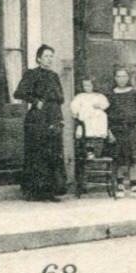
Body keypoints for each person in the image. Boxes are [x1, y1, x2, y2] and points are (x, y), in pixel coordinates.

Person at [13, 44, 66, 201]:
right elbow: (18, 93)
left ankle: (51, 191)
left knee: (54, 154)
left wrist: (58, 118)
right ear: (38, 59)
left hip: (53, 117)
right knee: (38, 154)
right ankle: (35, 192)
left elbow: (60, 98)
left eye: (51, 56)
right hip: (37, 119)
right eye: (46, 56)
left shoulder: (54, 76)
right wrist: (35, 101)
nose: (49, 59)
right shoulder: (31, 74)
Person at [105, 67, 136, 198]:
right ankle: (120, 186)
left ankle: (134, 187)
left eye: (124, 76)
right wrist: (108, 131)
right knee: (120, 160)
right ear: (115, 78)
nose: (121, 79)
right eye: (118, 76)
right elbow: (105, 115)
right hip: (117, 131)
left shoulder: (134, 93)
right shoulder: (110, 95)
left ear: (128, 78)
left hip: (132, 130)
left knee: (133, 159)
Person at [70, 77, 109, 158]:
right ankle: (88, 153)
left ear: (93, 85)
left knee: (97, 136)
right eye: (84, 85)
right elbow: (74, 105)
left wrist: (99, 105)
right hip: (85, 120)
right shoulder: (80, 96)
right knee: (86, 136)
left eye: (89, 85)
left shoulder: (99, 96)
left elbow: (105, 104)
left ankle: (97, 153)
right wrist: (75, 112)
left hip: (97, 120)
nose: (86, 87)